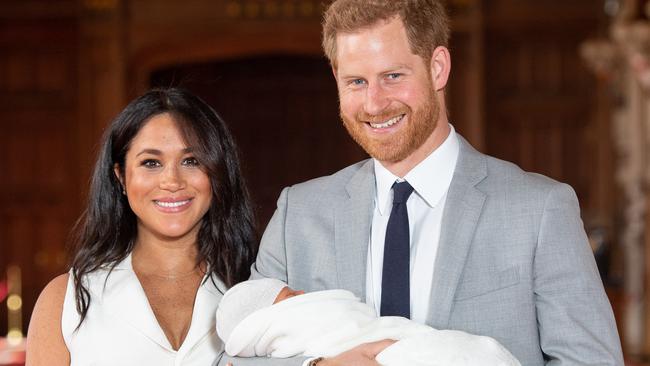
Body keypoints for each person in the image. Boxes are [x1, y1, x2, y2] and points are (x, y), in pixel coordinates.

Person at [218, 0, 624, 365]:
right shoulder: (298, 215)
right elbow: (238, 355)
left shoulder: (540, 210)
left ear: (438, 67)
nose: (374, 104)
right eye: (356, 82)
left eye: (392, 76)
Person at [26, 88, 257, 365]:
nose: (172, 181)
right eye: (151, 163)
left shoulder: (255, 290)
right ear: (121, 177)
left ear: (218, 171)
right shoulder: (65, 300)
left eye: (191, 161)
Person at [216, 278, 521, 366]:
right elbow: (234, 360)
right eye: (291, 295)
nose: (303, 294)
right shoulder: (295, 207)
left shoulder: (543, 202)